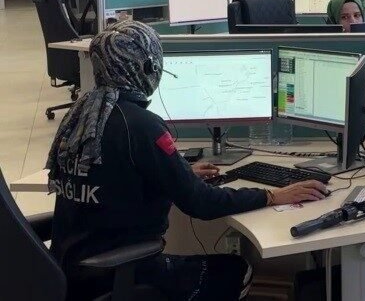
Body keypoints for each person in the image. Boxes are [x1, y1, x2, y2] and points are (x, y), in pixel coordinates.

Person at [47, 21, 327, 301]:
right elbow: (200, 203)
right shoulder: (142, 126)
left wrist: (179, 171)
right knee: (235, 270)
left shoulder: (83, 115)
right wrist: (271, 196)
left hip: (69, 271)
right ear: (149, 67)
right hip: (120, 272)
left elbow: (113, 175)